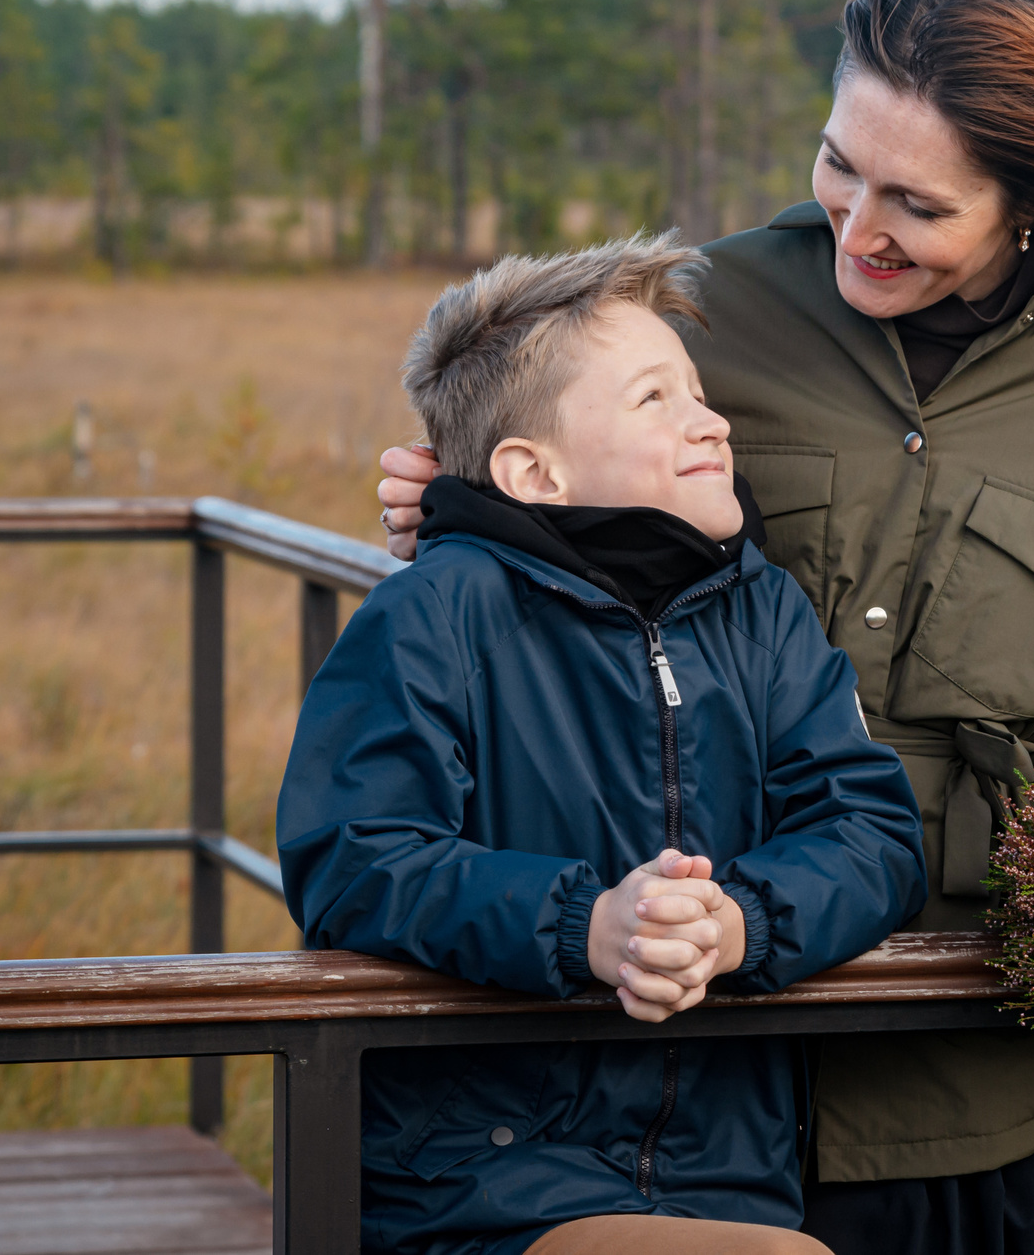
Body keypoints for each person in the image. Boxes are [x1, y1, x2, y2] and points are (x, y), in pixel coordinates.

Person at [380, 0, 1034, 1255]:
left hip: (999, 1083)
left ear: (1028, 195)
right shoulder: (702, 314)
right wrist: (458, 506)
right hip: (693, 1080)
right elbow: (539, 524)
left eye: (916, 202)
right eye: (837, 163)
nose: (858, 225)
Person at [281, 235, 929, 1255]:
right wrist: (584, 925)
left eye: (697, 391)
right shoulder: (436, 615)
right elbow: (355, 858)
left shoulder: (761, 611)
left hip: (729, 1163)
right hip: (483, 1176)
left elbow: (873, 830)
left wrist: (735, 925)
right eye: (652, 401)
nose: (708, 420)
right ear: (532, 471)